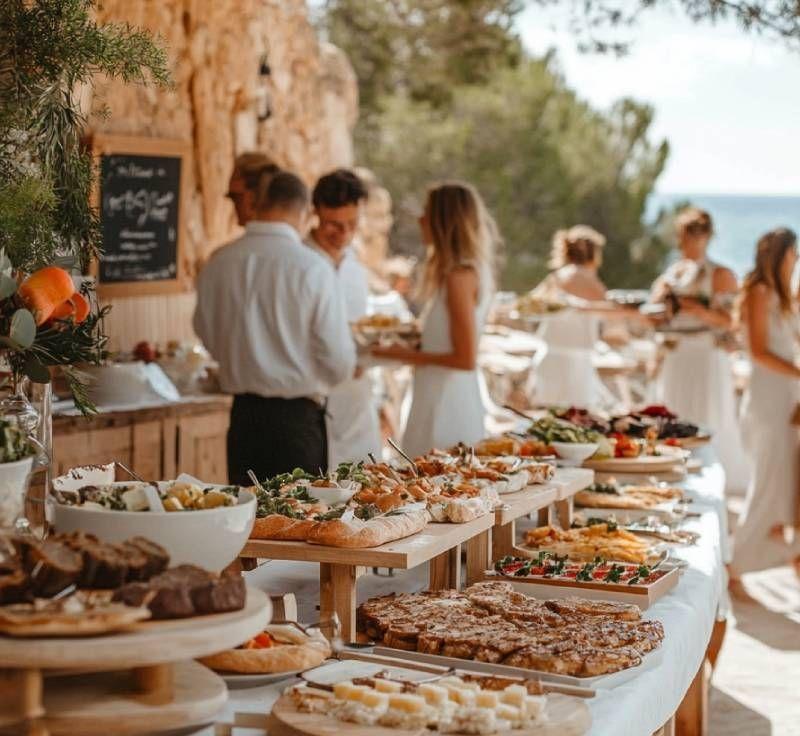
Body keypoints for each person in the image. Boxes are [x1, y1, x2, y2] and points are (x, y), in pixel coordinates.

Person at [193, 156, 356, 485]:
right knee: (301, 514)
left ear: (259, 203)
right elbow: (340, 362)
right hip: (297, 422)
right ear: (304, 211)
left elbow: (205, 332)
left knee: (248, 512)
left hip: (243, 420)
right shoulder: (314, 268)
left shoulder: (219, 262)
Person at [372, 181, 498, 457]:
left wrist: (398, 354)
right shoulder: (461, 272)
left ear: (443, 221)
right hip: (437, 397)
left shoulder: (459, 276)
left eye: (427, 213)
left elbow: (465, 359)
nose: (420, 219)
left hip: (446, 407)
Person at [649, 207, 750, 492]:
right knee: (673, 414)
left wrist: (695, 308)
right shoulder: (673, 273)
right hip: (675, 354)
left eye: (692, 236)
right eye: (683, 237)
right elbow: (654, 314)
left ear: (705, 237)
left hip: (706, 356)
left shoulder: (720, 274)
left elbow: (733, 321)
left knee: (709, 415)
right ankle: (675, 475)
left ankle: (711, 480)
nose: (686, 243)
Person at [730, 228, 800, 584]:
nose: (796, 259)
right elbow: (758, 351)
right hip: (768, 400)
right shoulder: (759, 293)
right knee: (767, 488)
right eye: (793, 253)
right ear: (782, 255)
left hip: (788, 399)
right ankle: (733, 568)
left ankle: (792, 556)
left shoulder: (784, 297)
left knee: (786, 486)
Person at [306, 169, 382, 467]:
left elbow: (359, 328)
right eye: (334, 225)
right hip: (313, 399)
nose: (344, 234)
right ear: (316, 211)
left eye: (352, 224)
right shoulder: (301, 264)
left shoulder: (355, 267)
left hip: (356, 402)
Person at [527, 225, 618, 409]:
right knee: (577, 418)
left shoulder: (555, 279)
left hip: (548, 360)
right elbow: (613, 320)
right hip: (576, 368)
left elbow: (529, 305)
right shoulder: (589, 281)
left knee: (548, 418)